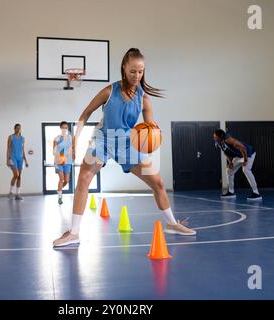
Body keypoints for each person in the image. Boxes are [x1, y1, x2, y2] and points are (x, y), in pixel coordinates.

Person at [53, 48, 196, 247]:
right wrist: (75, 141)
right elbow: (84, 115)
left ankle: (172, 224)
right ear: (124, 68)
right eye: (133, 71)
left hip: (128, 143)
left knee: (158, 183)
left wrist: (153, 134)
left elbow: (150, 127)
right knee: (84, 178)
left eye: (140, 71)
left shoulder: (144, 99)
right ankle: (74, 232)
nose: (137, 76)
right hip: (103, 139)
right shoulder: (109, 91)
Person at [213, 129, 262, 200]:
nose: (214, 138)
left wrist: (245, 160)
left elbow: (243, 148)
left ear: (220, 136)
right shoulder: (219, 142)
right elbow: (225, 152)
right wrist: (230, 163)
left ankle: (256, 193)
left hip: (248, 153)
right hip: (239, 156)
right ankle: (231, 192)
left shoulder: (229, 140)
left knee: (246, 170)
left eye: (215, 137)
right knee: (229, 171)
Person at [53, 121, 74, 205]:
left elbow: (71, 149)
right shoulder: (57, 138)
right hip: (59, 161)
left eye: (66, 127)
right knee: (61, 179)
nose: (64, 129)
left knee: (67, 180)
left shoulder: (70, 138)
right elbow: (54, 151)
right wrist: (60, 158)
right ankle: (60, 197)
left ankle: (59, 190)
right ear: (60, 128)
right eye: (63, 127)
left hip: (68, 161)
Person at [7, 123, 29, 200]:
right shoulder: (11, 137)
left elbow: (23, 150)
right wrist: (7, 160)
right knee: (16, 174)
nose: (18, 129)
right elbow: (8, 149)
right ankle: (10, 192)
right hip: (13, 158)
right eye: (16, 128)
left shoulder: (23, 138)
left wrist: (26, 161)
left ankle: (17, 194)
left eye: (19, 128)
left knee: (19, 176)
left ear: (20, 129)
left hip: (21, 158)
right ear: (14, 128)